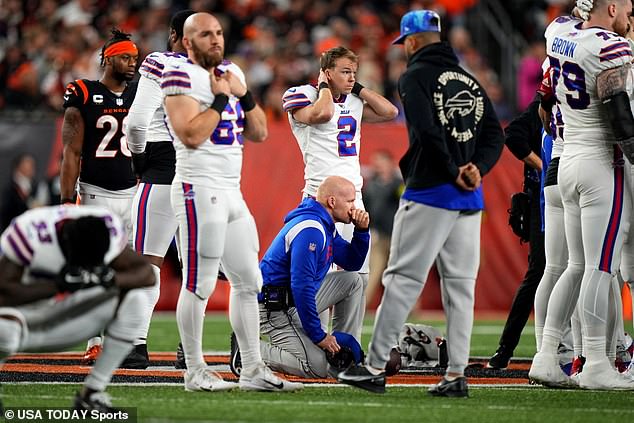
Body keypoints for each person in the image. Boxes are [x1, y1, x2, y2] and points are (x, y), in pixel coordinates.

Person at [338, 10, 504, 396]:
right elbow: (495, 136)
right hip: (470, 197)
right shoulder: (470, 80)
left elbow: (428, 133)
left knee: (400, 280)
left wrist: (450, 170)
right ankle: (456, 375)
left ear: (411, 42)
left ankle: (376, 367)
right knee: (461, 287)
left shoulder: (413, 76)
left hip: (431, 190)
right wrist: (476, 169)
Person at [162, 12, 301, 392]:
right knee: (200, 282)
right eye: (206, 34)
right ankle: (194, 370)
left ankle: (253, 368)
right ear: (188, 42)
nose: (216, 40)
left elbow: (258, 133)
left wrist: (244, 93)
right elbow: (190, 134)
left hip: (231, 190)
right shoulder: (179, 75)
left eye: (219, 33)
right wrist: (223, 97)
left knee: (249, 280)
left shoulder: (232, 72)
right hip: (196, 186)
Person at [529, 0, 634, 390]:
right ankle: (595, 362)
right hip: (599, 163)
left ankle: (545, 356)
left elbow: (572, 22)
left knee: (574, 266)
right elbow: (621, 119)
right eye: (626, 7)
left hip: (565, 157)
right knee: (599, 267)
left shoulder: (559, 32)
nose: (629, 15)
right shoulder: (610, 47)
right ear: (610, 7)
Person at [282, 46, 399, 338]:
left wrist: (357, 88)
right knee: (319, 274)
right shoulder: (303, 95)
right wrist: (324, 85)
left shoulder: (354, 100)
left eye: (354, 73)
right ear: (326, 71)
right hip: (318, 200)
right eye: (345, 72)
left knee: (357, 275)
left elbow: (390, 112)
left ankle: (348, 343)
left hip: (353, 199)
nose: (350, 78)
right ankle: (315, 338)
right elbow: (321, 114)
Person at [0, 205, 154, 412]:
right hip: (25, 323)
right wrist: (56, 285)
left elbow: (147, 273)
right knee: (4, 330)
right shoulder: (30, 231)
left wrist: (110, 278)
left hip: (72, 317)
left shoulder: (107, 228)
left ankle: (91, 395)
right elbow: (3, 291)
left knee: (137, 301)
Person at [59, 29, 139, 366]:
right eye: (125, 57)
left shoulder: (140, 94)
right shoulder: (83, 93)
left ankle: (131, 338)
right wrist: (66, 203)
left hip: (134, 192)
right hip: (95, 192)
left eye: (135, 58)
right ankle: (94, 341)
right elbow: (71, 152)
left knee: (133, 270)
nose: (132, 64)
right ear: (108, 59)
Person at [124, 9, 196, 370]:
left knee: (145, 262)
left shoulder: (160, 62)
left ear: (173, 35)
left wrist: (138, 159)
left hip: (162, 165)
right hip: (201, 174)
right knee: (196, 267)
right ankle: (190, 349)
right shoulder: (219, 69)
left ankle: (135, 344)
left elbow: (137, 122)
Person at [245, 176, 370, 378]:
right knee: (317, 367)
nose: (353, 206)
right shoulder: (311, 229)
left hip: (291, 302)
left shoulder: (324, 223)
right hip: (273, 308)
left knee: (353, 280)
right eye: (349, 201)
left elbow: (352, 262)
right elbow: (301, 286)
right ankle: (247, 351)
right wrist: (319, 336)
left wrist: (362, 232)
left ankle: (341, 355)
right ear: (332, 201)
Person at [487, 96, 547, 369]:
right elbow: (512, 134)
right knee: (543, 269)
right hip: (544, 199)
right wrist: (543, 165)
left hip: (568, 194)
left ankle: (575, 346)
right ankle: (508, 348)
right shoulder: (545, 103)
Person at [361, 150, 402, 307]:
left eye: (382, 162)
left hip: (397, 237)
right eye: (376, 163)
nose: (378, 166)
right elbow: (366, 208)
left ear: (391, 164)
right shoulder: (371, 185)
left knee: (401, 275)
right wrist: (369, 228)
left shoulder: (399, 184)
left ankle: (411, 309)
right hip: (378, 236)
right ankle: (361, 307)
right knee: (372, 274)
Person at [0, 153, 38, 232]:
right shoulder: (10, 189)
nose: (32, 167)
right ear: (19, 167)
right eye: (28, 164)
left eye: (32, 164)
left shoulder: (34, 187)